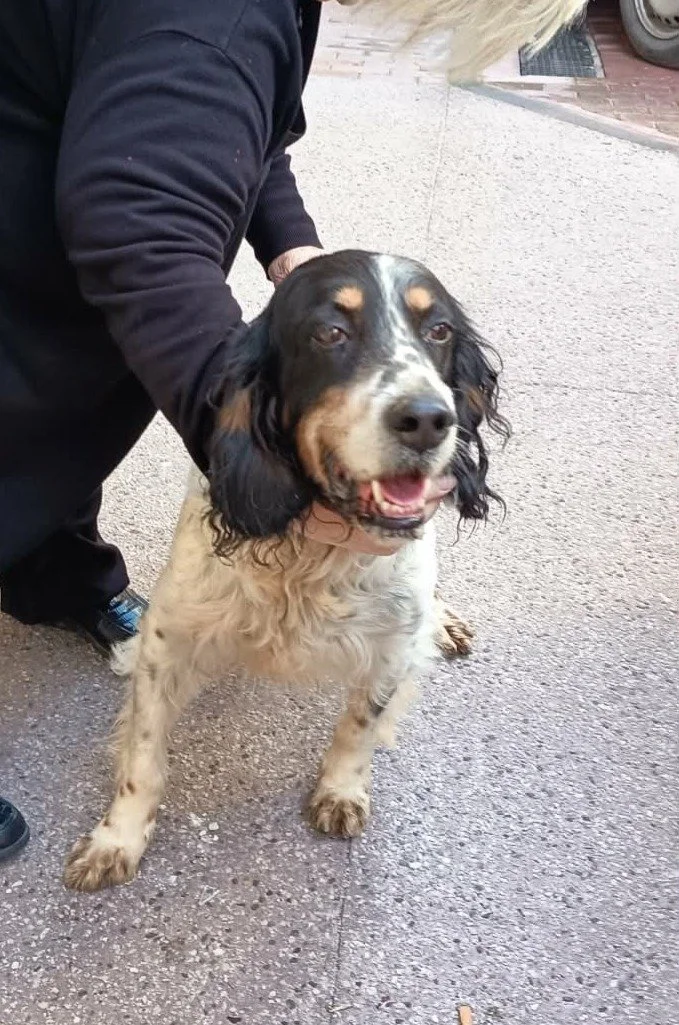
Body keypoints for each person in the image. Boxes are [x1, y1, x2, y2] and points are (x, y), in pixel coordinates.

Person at [0, 0, 581, 858]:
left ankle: (57, 578)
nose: (422, 405)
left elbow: (238, 125)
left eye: (432, 336)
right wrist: (241, 437)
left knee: (63, 426)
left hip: (52, 178)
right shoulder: (217, 12)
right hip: (44, 220)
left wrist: (295, 253)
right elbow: (139, 211)